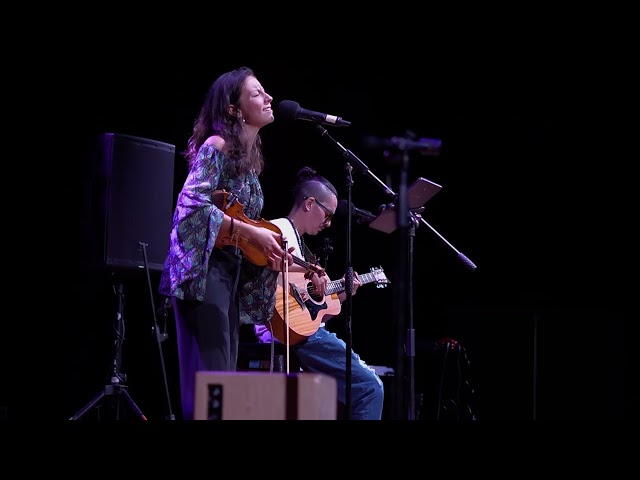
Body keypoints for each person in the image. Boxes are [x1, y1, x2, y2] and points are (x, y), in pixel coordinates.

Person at [159, 66, 294, 421]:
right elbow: (190, 207)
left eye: (265, 92)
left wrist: (265, 249)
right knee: (213, 382)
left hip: (228, 275)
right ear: (233, 109)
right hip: (204, 274)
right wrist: (252, 234)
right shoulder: (216, 145)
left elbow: (241, 227)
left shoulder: (249, 166)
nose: (268, 98)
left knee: (222, 383)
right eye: (256, 94)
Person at [254, 167, 385, 420]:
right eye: (327, 215)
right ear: (309, 203)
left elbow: (311, 312)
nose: (328, 223)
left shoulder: (302, 246)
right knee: (370, 388)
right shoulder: (278, 229)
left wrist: (343, 293)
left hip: (301, 332)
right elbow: (265, 266)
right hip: (282, 331)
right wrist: (308, 271)